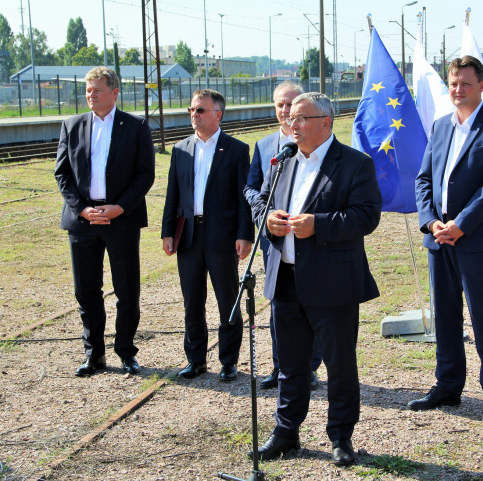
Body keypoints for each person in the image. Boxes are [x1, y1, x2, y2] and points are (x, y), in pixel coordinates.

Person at [249, 93, 381, 466]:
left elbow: (366, 216)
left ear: (326, 122)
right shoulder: (283, 160)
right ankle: (286, 432)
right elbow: (260, 200)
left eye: (301, 118)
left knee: (339, 364)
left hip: (332, 283)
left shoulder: (355, 163)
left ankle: (341, 436)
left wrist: (318, 225)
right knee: (291, 365)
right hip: (286, 279)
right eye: (290, 118)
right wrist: (268, 219)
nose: (292, 125)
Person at [411, 56, 483, 425]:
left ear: (481, 86)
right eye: (454, 83)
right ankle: (448, 385)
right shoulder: (440, 126)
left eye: (466, 84)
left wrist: (461, 224)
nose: (458, 90)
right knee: (446, 316)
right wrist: (430, 223)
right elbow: (424, 179)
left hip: (477, 240)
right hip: (439, 240)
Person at [55, 66, 155, 377]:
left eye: (97, 90)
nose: (91, 95)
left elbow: (145, 175)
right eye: (87, 90)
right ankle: (93, 355)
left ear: (114, 92)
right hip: (83, 221)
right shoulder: (72, 125)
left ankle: (126, 351)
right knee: (86, 290)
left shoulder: (135, 126)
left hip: (120, 220)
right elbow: (63, 174)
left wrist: (120, 208)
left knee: (127, 290)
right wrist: (82, 209)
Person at [161, 89, 253, 382]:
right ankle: (196, 359)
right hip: (188, 235)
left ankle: (229, 361)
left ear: (218, 114)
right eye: (191, 110)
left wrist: (244, 234)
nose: (194, 115)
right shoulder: (181, 149)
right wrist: (167, 232)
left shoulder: (236, 150)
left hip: (222, 236)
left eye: (200, 110)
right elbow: (172, 195)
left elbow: (244, 198)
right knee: (192, 299)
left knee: (227, 300)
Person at [244, 81, 323, 391]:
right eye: (280, 105)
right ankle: (281, 366)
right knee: (279, 305)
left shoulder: (316, 145)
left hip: (309, 242)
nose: (286, 110)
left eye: (292, 104)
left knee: (310, 304)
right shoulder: (264, 147)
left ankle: (310, 367)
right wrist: (265, 218)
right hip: (274, 241)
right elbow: (252, 188)